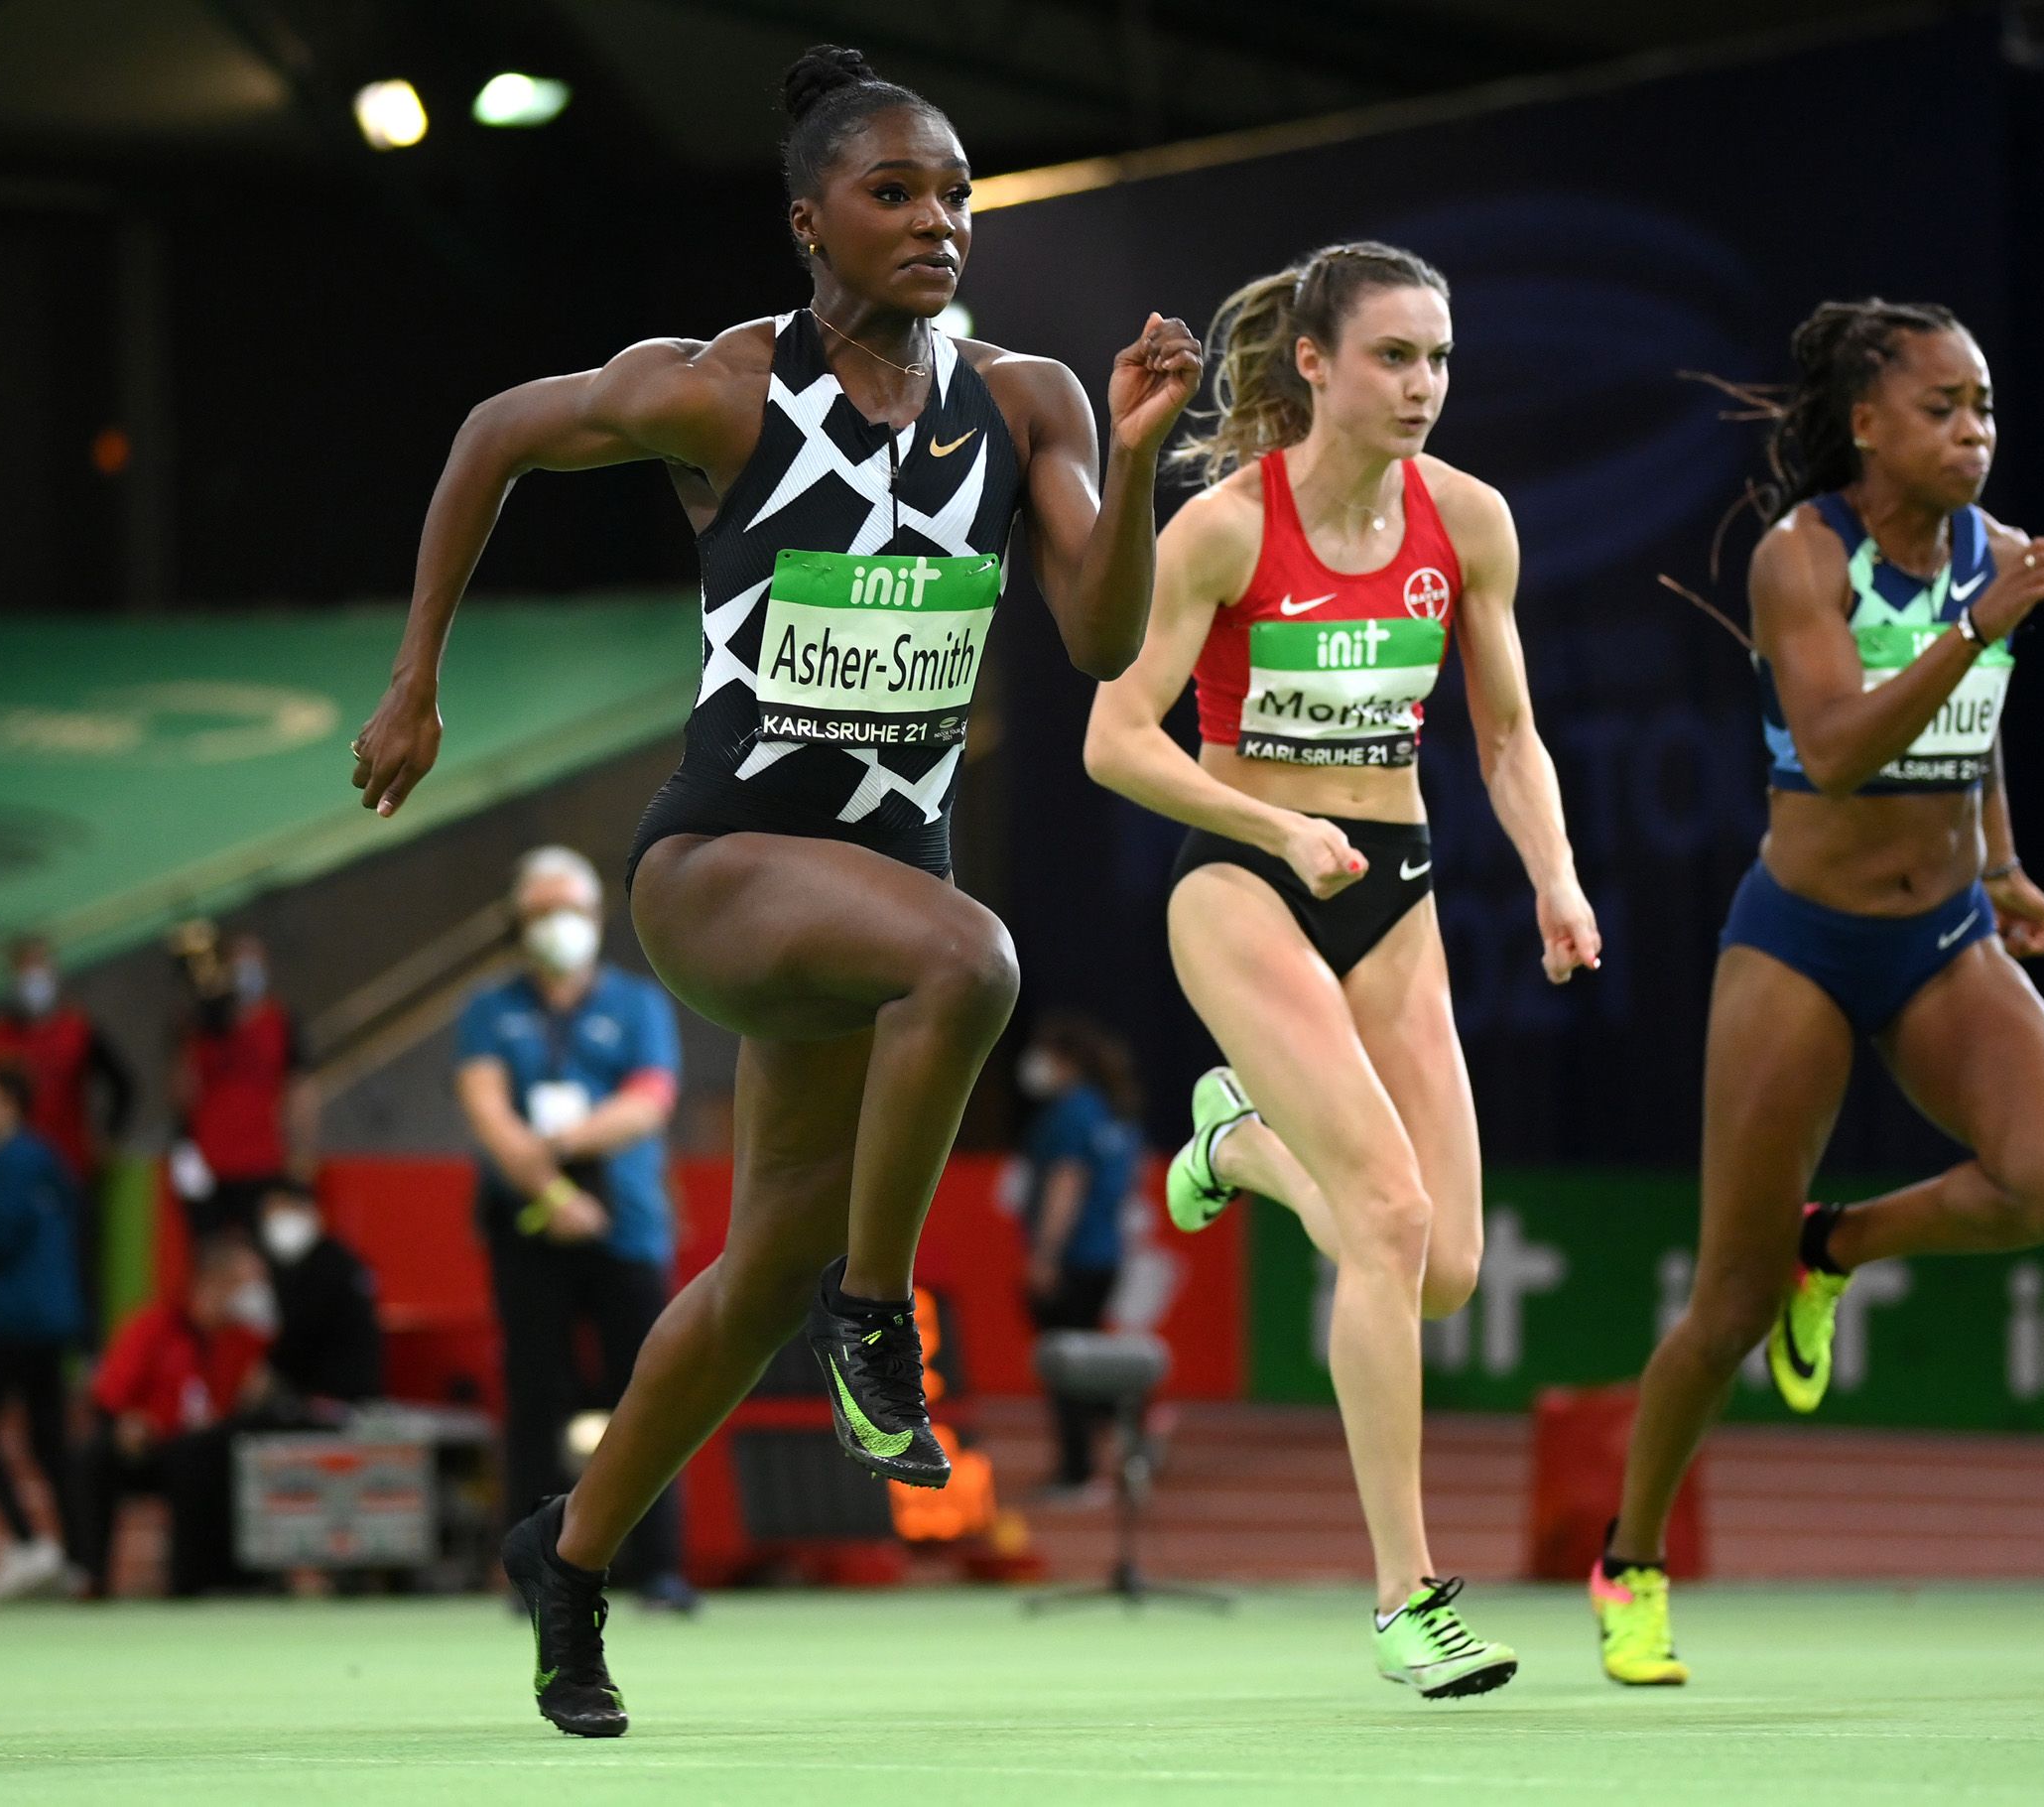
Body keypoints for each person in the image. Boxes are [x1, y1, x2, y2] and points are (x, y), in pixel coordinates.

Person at [348, 44, 1200, 1736]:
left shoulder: (1027, 401)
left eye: (957, 193)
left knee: (750, 1278)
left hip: (876, 896)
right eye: (896, 192)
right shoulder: (722, 388)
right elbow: (493, 434)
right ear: (809, 218)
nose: (940, 221)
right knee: (977, 960)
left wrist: (1148, 448)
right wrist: (415, 676)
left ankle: (570, 1563)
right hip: (722, 866)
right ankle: (878, 1322)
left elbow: (1105, 637)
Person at [1083, 242, 1600, 1700]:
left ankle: (1237, 1141)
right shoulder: (1225, 532)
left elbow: (1505, 737)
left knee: (1441, 1269)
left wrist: (1556, 879)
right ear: (1314, 363)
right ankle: (1406, 1598)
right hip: (1246, 883)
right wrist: (1270, 825)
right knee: (1381, 1211)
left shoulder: (1471, 524)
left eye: (1438, 357)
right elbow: (1115, 738)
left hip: (1399, 891)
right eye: (1392, 356)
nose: (1422, 384)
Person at [1590, 300, 2044, 1686]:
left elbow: (1974, 732)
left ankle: (1844, 1247)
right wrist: (1973, 631)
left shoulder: (1993, 555)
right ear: (1868, 425)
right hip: (1801, 942)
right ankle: (1630, 1560)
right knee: (1728, 1302)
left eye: (1985, 405)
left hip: (1942, 934)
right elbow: (1831, 748)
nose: (1976, 432)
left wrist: (2000, 865)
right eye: (1944, 408)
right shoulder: (1799, 556)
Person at [453, 845, 693, 1611]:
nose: (559, 923)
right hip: (528, 1230)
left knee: (652, 1394)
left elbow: (649, 1102)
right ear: (517, 923)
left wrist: (556, 1148)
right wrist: (553, 1194)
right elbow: (489, 1115)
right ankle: (535, 1573)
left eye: (572, 908)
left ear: (596, 917)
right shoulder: (489, 1010)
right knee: (534, 1398)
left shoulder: (637, 1004)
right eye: (541, 909)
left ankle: (659, 1568)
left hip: (628, 1227)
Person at [0, 934, 135, 1339]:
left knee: (79, 1264)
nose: (33, 978)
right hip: (13, 1172)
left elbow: (123, 1084)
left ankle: (87, 1353)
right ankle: (15, 1344)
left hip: (70, 1169)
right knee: (11, 1262)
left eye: (39, 967)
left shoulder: (77, 1028)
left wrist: (108, 1138)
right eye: (24, 969)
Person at [0, 1061, 86, 1600]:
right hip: (51, 1316)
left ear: (7, 1101)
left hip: (16, 1319)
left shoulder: (11, 1160)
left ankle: (30, 1545)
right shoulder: (46, 1159)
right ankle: (77, 1560)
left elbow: (1, 1238)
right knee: (50, 1441)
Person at [71, 1232, 275, 1599]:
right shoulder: (154, 1326)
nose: (258, 1292)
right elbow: (109, 1394)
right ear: (215, 1283)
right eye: (250, 1282)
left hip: (208, 1455)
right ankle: (91, 1577)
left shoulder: (245, 1341)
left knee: (209, 1458)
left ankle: (198, 1584)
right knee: (94, 1458)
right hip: (153, 1448)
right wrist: (128, 1424)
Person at [1011, 1013, 1141, 1493]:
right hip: (1106, 1255)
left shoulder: (1070, 1113)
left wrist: (1045, 1254)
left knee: (1064, 1362)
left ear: (1066, 1061)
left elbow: (1068, 1183)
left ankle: (1077, 1471)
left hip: (1074, 1258)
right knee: (1084, 1352)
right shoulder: (1113, 1109)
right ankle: (1131, 1419)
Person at [169, 922, 319, 1240]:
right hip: (209, 1167)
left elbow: (300, 1090)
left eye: (254, 960)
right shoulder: (199, 1027)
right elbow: (183, 1096)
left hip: (266, 1162)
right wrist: (191, 1035)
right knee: (213, 1254)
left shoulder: (280, 1020)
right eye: (238, 960)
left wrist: (302, 1156)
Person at [258, 1188, 384, 1410]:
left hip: (336, 1399)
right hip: (337, 1395)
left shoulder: (329, 1265)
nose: (273, 1225)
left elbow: (302, 1329)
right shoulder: (321, 1262)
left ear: (308, 1211)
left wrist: (270, 1370)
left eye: (279, 1213)